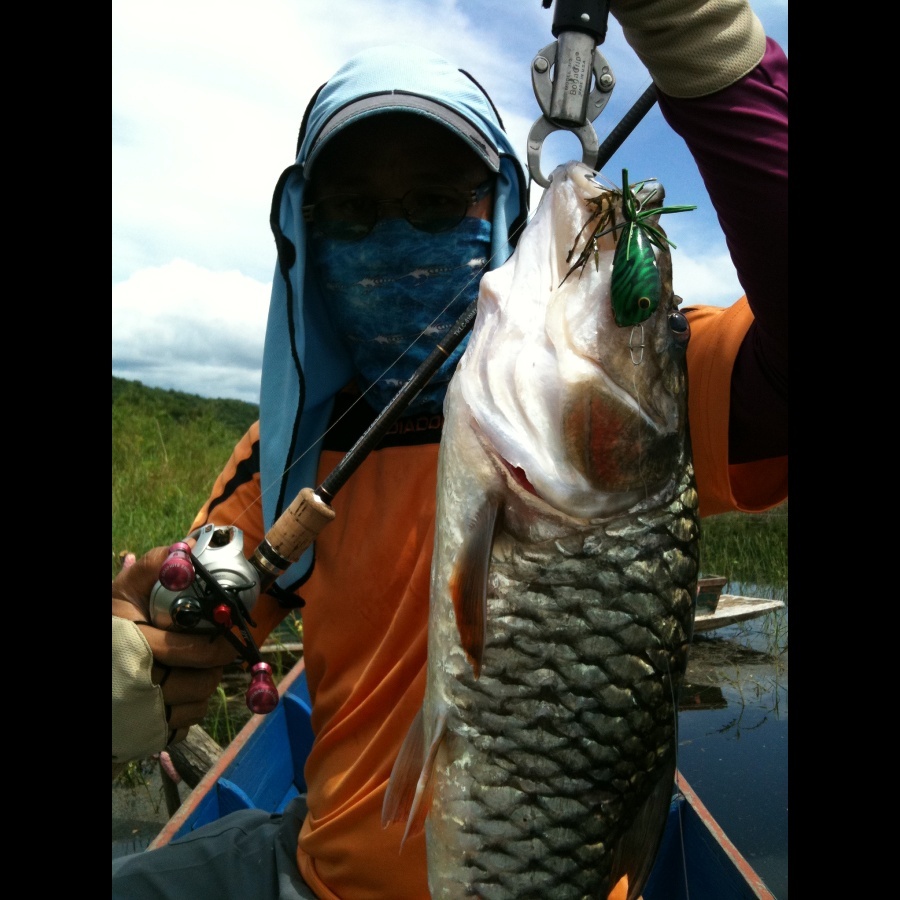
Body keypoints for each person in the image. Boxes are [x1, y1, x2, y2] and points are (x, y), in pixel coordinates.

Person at [112, 0, 787, 897]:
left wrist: (713, 48)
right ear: (307, 236)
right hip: (320, 873)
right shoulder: (290, 448)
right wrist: (142, 664)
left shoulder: (641, 392)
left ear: (500, 208)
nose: (394, 237)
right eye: (352, 211)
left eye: (434, 201)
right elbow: (192, 621)